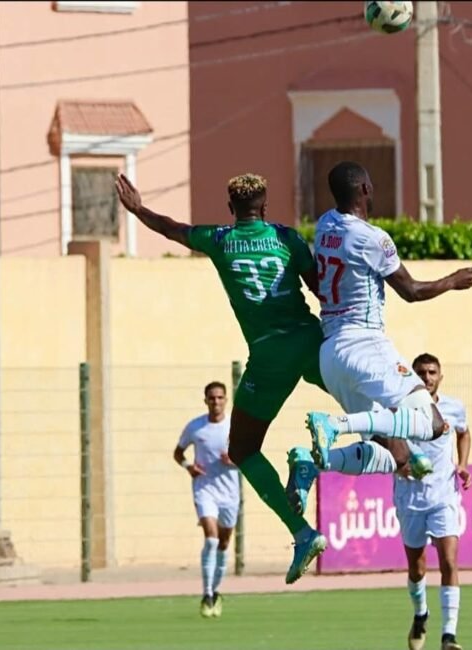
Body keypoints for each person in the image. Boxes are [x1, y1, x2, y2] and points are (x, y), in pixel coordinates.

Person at [115, 172, 327, 584]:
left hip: (269, 354)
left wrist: (139, 209)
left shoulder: (220, 239)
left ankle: (302, 531)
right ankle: (405, 446)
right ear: (265, 208)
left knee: (244, 449)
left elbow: (173, 230)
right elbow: (324, 291)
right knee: (359, 400)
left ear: (231, 209)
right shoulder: (289, 239)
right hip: (311, 339)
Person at [290, 161, 472, 501]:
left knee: (398, 455)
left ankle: (313, 464)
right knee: (434, 424)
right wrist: (453, 281)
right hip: (364, 344)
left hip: (331, 355)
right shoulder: (373, 239)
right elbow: (412, 291)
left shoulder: (325, 224)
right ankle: (335, 426)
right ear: (364, 189)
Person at [398, 353, 472, 650]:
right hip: (410, 497)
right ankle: (420, 614)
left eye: (431, 372)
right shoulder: (401, 408)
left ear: (440, 376)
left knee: (450, 561)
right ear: (413, 378)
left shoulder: (453, 408)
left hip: (444, 496)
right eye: (421, 373)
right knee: (417, 568)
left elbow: (464, 434)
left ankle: (449, 636)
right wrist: (399, 463)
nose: (426, 377)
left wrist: (464, 463)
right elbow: (382, 439)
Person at [174, 381, 238, 618]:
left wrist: (235, 460)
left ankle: (216, 590)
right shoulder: (196, 427)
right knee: (211, 539)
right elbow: (177, 453)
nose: (216, 402)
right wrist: (188, 466)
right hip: (205, 490)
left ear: (226, 400)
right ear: (205, 400)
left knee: (223, 543)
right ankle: (207, 593)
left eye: (220, 398)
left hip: (230, 492)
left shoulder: (235, 426)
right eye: (212, 398)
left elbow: (250, 455)